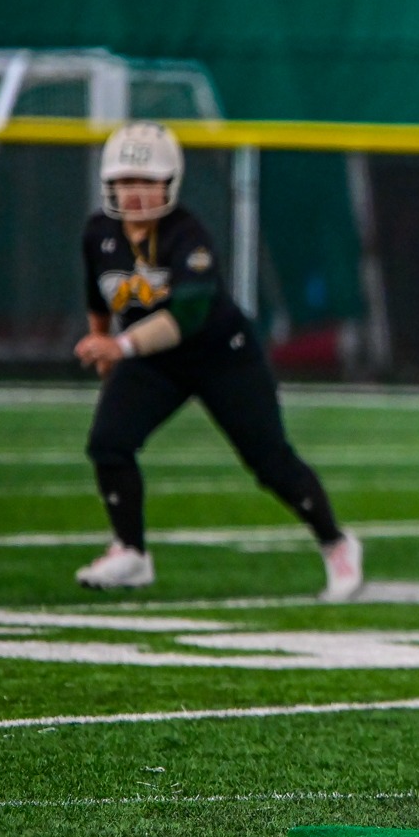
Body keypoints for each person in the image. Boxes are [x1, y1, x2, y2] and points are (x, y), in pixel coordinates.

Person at [73, 121, 362, 600]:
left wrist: (119, 348)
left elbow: (185, 318)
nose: (135, 193)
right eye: (126, 181)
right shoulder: (99, 233)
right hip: (154, 359)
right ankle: (130, 550)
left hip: (221, 355)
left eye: (146, 182)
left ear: (169, 183)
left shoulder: (189, 237)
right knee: (108, 443)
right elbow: (99, 298)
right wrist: (99, 343)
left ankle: (336, 542)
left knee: (269, 461)